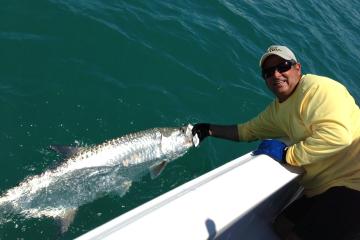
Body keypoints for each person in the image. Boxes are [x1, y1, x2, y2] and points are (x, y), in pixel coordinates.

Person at [192, 45, 360, 240]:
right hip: (322, 187)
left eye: (283, 66)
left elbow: (339, 136)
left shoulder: (318, 89)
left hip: (353, 185)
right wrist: (209, 129)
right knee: (281, 226)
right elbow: (246, 131)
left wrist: (288, 154)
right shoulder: (277, 110)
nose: (276, 74)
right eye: (268, 72)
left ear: (298, 68)